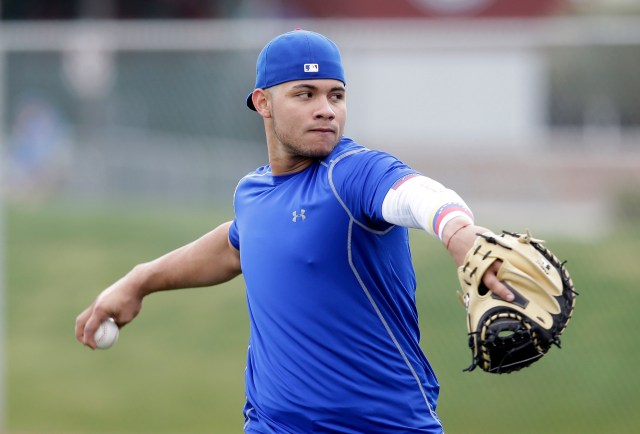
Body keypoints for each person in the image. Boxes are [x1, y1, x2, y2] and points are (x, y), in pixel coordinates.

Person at [76, 29, 513, 434]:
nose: (326, 108)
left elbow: (420, 195)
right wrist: (139, 280)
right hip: (272, 425)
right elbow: (236, 244)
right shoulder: (254, 193)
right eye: (304, 94)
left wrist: (460, 237)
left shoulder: (353, 173)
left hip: (384, 426)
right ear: (262, 102)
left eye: (335, 95)